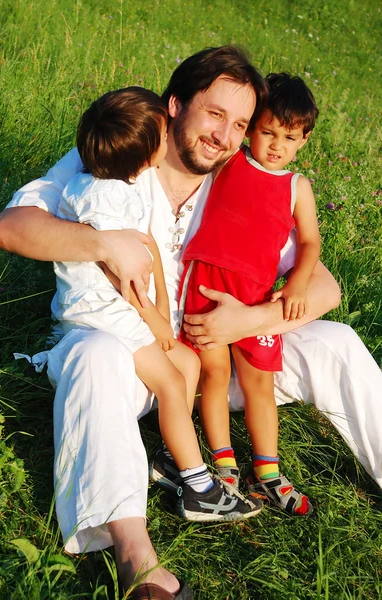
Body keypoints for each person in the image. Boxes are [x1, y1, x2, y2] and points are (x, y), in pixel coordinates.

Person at [0, 46, 382, 599]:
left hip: (218, 358)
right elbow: (10, 227)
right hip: (130, 356)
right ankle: (139, 563)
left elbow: (324, 287)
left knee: (335, 340)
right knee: (92, 355)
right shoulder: (121, 154)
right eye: (215, 114)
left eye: (241, 124)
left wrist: (248, 319)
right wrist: (103, 243)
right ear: (174, 105)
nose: (226, 137)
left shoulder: (241, 181)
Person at [55, 85, 261, 524]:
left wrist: (162, 320)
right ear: (144, 149)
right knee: (171, 380)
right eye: (161, 136)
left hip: (125, 311)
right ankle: (199, 486)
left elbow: (144, 247)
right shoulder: (100, 195)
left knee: (187, 363)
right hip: (104, 314)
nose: (168, 141)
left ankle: (170, 458)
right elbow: (123, 276)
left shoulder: (122, 185)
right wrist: (157, 324)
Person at [177, 73, 321, 517]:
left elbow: (311, 242)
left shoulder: (296, 186)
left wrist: (296, 283)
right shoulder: (231, 162)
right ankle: (224, 466)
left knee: (260, 381)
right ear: (251, 128)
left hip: (256, 296)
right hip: (207, 283)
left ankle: (269, 472)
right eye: (267, 132)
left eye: (289, 138)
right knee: (214, 373)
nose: (276, 145)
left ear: (304, 140)